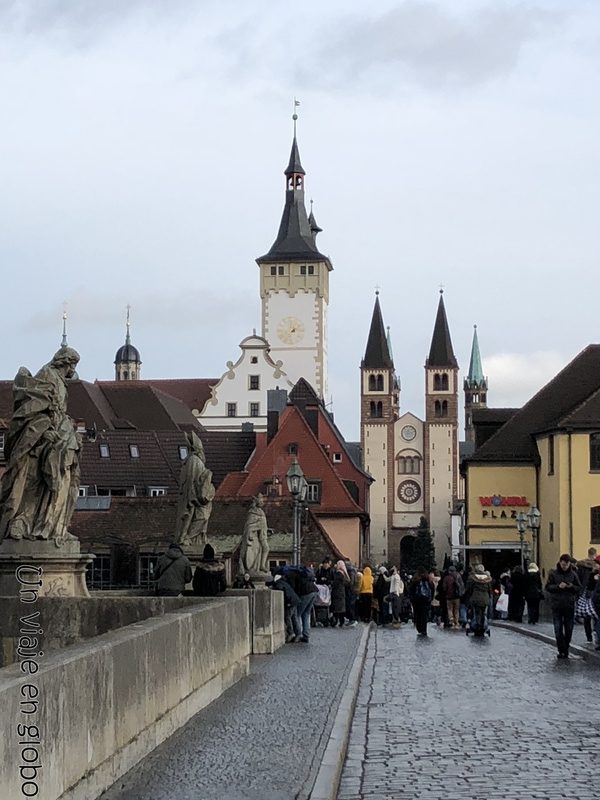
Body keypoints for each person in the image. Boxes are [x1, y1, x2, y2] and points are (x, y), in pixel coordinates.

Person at [0, 347, 82, 545]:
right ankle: (28, 524)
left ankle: (56, 526)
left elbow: (56, 410)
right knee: (36, 482)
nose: (74, 369)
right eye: (73, 364)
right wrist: (44, 431)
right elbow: (34, 408)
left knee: (64, 478)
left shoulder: (61, 381)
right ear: (66, 362)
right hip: (41, 440)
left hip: (59, 436)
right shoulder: (48, 375)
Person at [174, 432, 215, 547]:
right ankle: (185, 537)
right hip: (194, 496)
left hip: (198, 497)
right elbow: (192, 479)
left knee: (201, 517)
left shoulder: (195, 460)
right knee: (197, 517)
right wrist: (193, 495)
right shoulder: (193, 460)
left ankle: (195, 538)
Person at [545, 553, 582, 659]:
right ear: (560, 563)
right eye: (563, 564)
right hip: (556, 605)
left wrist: (570, 586)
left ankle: (565, 648)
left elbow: (578, 588)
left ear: (569, 563)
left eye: (566, 564)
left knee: (569, 629)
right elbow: (548, 587)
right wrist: (558, 586)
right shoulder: (553, 573)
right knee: (558, 629)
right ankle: (561, 650)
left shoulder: (573, 574)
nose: (564, 566)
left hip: (569, 605)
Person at [239, 494, 270, 576]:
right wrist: (258, 526)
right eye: (261, 499)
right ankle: (262, 566)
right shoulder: (252, 512)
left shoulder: (261, 511)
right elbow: (249, 526)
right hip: (256, 537)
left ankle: (261, 566)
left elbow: (263, 524)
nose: (262, 501)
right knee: (265, 548)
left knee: (265, 549)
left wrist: (266, 529)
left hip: (263, 534)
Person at [576, 547, 598, 643]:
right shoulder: (596, 566)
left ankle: (589, 637)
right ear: (595, 554)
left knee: (586, 616)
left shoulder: (581, 565)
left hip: (585, 592)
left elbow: (578, 579)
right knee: (596, 615)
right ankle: (597, 635)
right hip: (594, 592)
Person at [271, 574, 301, 643]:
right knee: (294, 618)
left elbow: (280, 589)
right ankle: (299, 633)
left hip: (290, 602)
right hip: (295, 600)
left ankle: (291, 633)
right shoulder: (285, 582)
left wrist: (272, 588)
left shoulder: (279, 583)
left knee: (287, 617)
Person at [466, 564, 492, 631]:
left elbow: (469, 588)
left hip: (476, 597)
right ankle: (483, 626)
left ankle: (478, 625)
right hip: (485, 597)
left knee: (477, 612)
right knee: (483, 613)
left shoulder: (473, 578)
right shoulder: (487, 578)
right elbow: (490, 589)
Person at [409, 567, 433, 636]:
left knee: (417, 614)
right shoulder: (428, 580)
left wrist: (412, 598)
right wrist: (430, 599)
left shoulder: (415, 580)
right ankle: (424, 630)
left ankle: (419, 628)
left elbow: (411, 590)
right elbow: (432, 589)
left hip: (417, 600)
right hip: (426, 600)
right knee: (424, 615)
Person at [331, 560, 350, 627]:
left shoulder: (339, 573)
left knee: (336, 608)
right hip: (341, 592)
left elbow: (335, 582)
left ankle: (336, 621)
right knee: (341, 608)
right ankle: (341, 621)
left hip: (337, 592)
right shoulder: (344, 573)